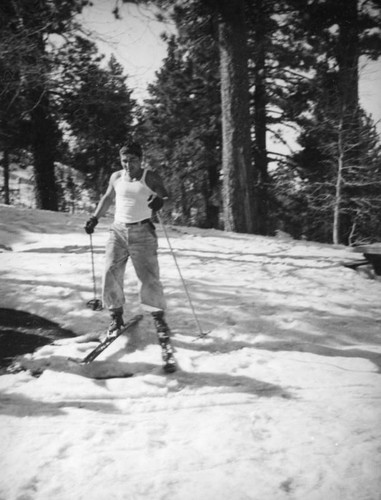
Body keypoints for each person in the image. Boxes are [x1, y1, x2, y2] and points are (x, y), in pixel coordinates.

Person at [84, 141, 175, 372]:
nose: (127, 165)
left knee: (149, 279)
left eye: (132, 160)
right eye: (124, 160)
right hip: (117, 230)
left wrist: (160, 202)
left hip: (142, 231)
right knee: (111, 273)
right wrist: (95, 218)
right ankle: (116, 317)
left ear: (140, 160)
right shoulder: (116, 177)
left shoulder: (150, 177)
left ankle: (159, 320)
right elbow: (107, 198)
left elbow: (168, 199)